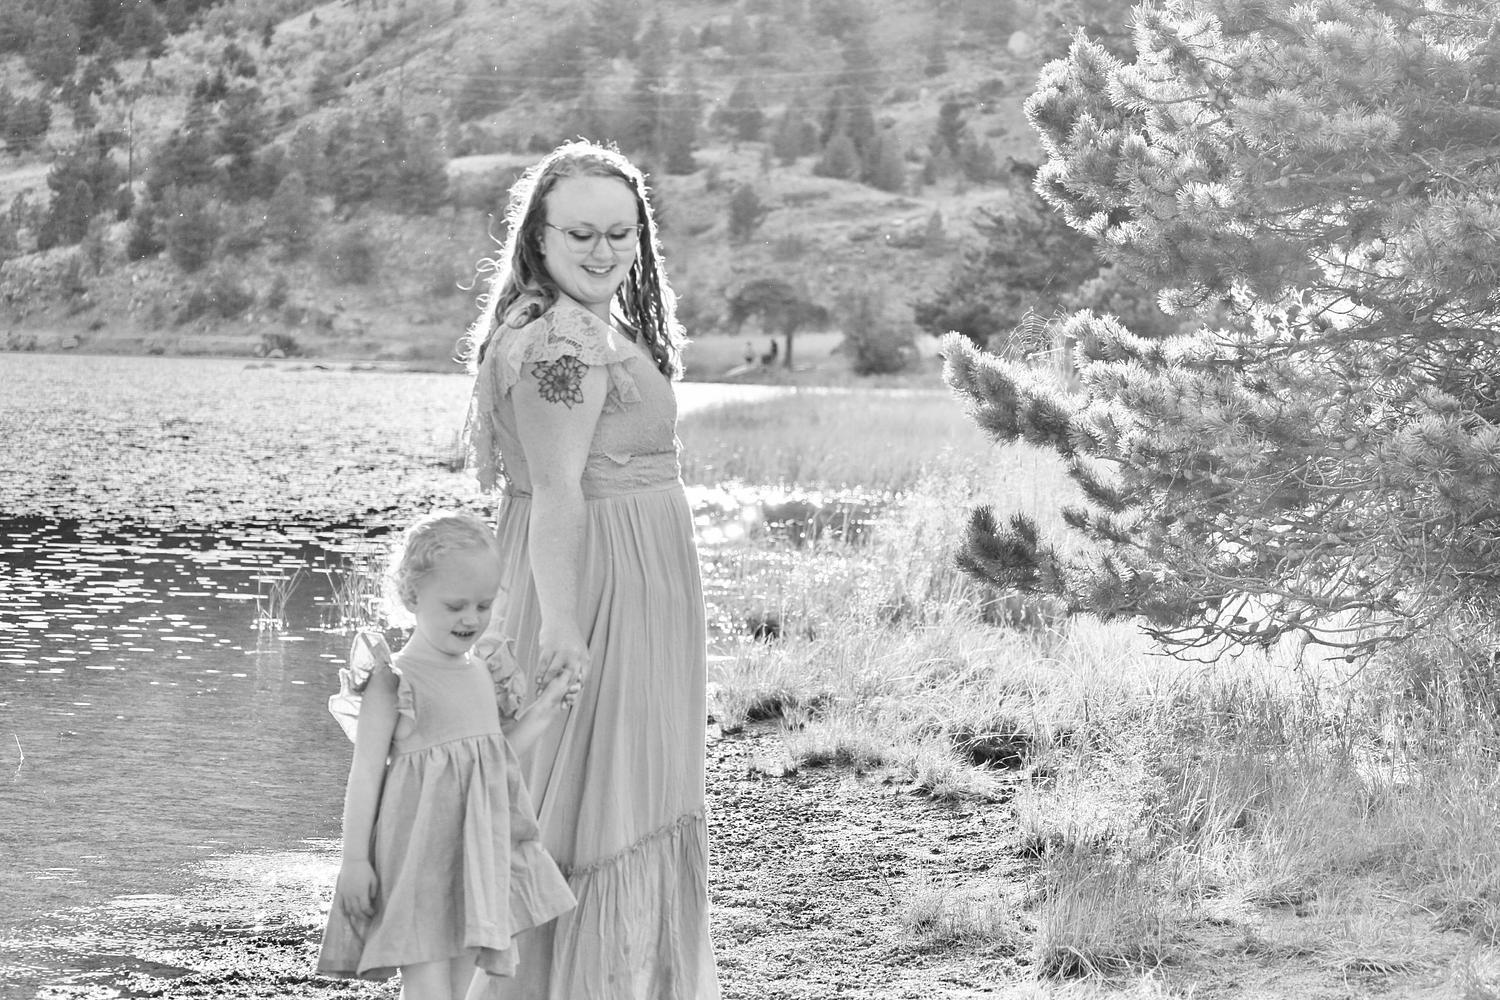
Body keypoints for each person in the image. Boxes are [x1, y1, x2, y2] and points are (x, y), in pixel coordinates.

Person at [462, 139, 721, 999]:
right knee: (597, 800)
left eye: (620, 233)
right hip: (599, 583)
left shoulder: (583, 325)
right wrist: (567, 628)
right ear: (537, 239)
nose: (604, 252)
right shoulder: (560, 341)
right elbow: (557, 491)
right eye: (580, 234)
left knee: (619, 793)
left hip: (636, 582)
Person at [317, 511, 580, 1000]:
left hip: (474, 855)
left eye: (484, 604)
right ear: (412, 597)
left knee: (459, 986)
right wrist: (354, 861)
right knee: (426, 985)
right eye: (456, 605)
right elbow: (365, 776)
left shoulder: (484, 670)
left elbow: (495, 757)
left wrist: (546, 708)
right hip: (416, 857)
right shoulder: (393, 681)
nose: (472, 619)